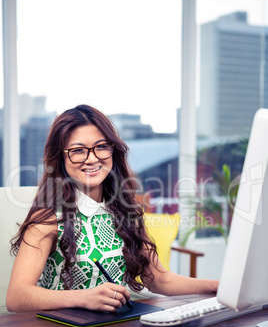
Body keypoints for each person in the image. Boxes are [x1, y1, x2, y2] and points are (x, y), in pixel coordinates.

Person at [6, 104, 218, 313]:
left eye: (101, 146)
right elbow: (16, 297)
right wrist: (84, 298)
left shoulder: (127, 211)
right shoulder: (49, 218)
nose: (92, 158)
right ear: (60, 158)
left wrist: (219, 286)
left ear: (113, 151)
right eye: (78, 151)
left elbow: (160, 279)